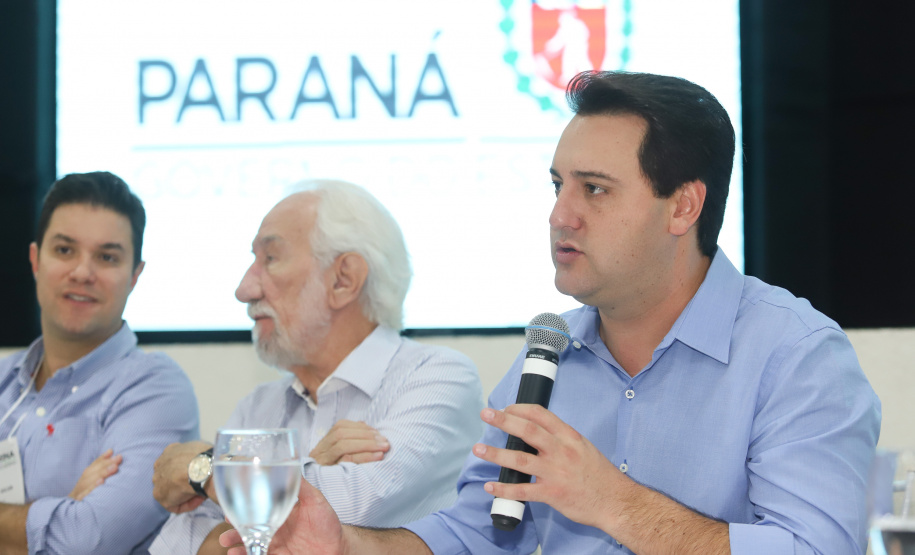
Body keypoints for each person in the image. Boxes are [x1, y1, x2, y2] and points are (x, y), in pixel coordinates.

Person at [220, 71, 882, 555]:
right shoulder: (549, 353)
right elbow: (477, 532)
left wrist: (611, 500)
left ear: (682, 207)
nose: (559, 215)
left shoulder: (795, 355)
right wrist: (344, 545)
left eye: (593, 189)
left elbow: (816, 548)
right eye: (557, 184)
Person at [150, 179, 483, 554]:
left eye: (270, 259)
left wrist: (205, 467)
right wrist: (307, 469)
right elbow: (176, 545)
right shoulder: (259, 406)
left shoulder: (438, 378)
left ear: (343, 279)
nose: (245, 289)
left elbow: (353, 504)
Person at [0, 172, 199, 554]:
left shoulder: (155, 390)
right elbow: (67, 533)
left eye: (107, 257)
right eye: (64, 250)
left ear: (134, 276)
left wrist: (60, 525)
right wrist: (60, 512)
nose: (82, 272)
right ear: (34, 260)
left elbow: (85, 540)